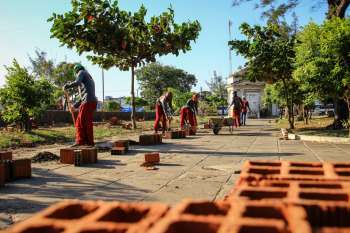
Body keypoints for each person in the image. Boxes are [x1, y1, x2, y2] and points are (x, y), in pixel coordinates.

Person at [63, 64, 98, 146]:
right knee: (86, 122)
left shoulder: (81, 72)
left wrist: (67, 86)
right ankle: (88, 142)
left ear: (76, 71)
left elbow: (77, 82)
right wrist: (74, 106)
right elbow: (82, 98)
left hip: (88, 102)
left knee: (80, 122)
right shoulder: (87, 78)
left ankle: (81, 142)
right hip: (90, 101)